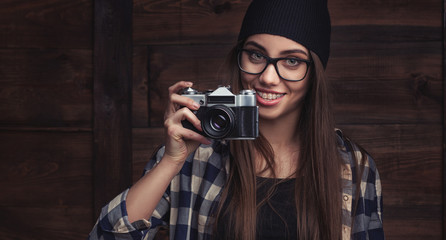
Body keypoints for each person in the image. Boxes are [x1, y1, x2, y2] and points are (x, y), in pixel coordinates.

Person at [88, 0, 384, 239]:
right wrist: (171, 162)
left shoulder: (353, 167)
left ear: (315, 74)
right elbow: (108, 236)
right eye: (256, 55)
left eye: (291, 61)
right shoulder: (197, 153)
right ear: (239, 57)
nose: (268, 77)